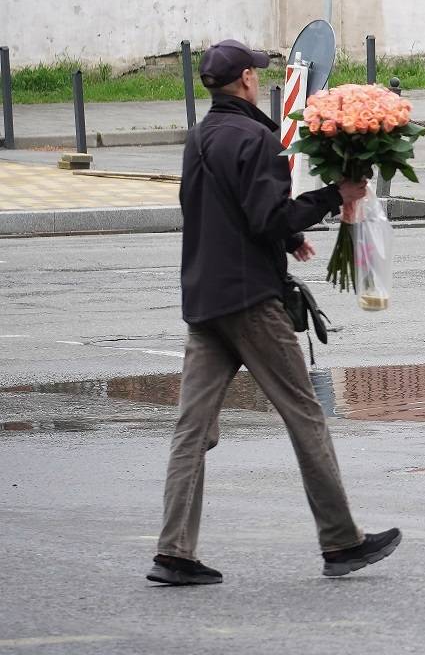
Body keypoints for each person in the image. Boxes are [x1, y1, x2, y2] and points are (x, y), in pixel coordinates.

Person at [147, 39, 400, 586]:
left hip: (204, 300)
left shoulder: (201, 136)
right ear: (243, 80)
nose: (259, 79)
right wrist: (334, 195)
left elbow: (223, 209)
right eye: (255, 73)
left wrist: (286, 242)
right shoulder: (256, 139)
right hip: (250, 302)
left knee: (192, 428)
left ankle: (174, 551)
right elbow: (268, 217)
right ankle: (341, 541)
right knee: (304, 413)